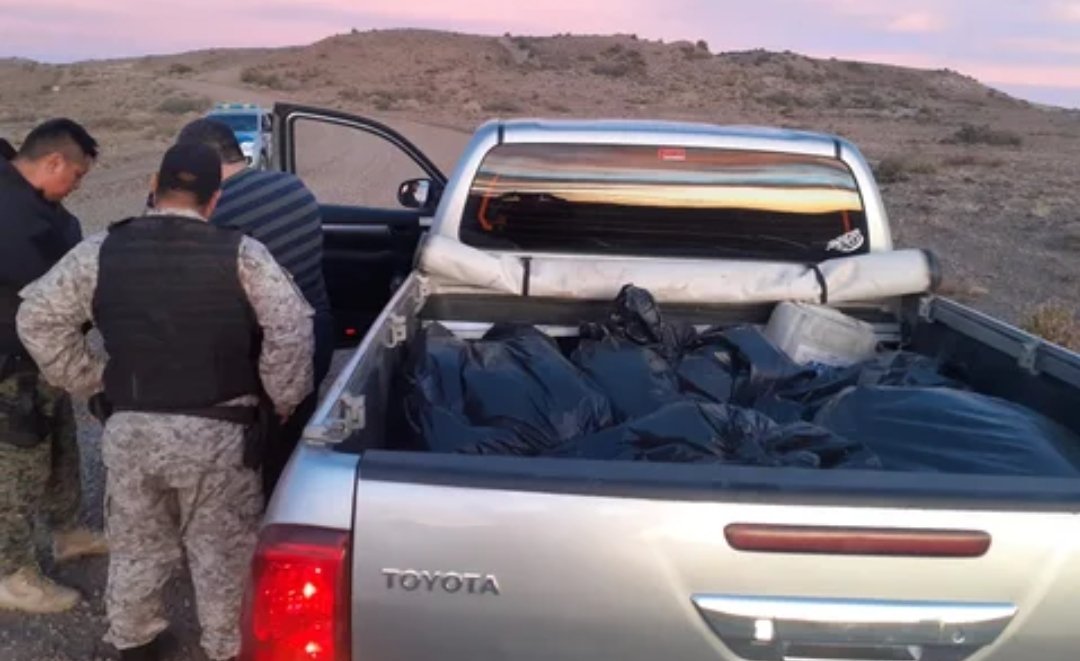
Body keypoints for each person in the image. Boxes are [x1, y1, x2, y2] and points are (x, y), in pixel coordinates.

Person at [16, 142, 315, 660]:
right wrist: (283, 395)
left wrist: (89, 379)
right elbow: (292, 326)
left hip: (132, 430)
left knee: (137, 544)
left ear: (153, 187)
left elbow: (36, 317)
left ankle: (135, 640)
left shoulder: (102, 250)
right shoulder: (243, 254)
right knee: (221, 552)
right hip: (219, 434)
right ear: (215, 199)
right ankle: (226, 646)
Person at [174, 118, 334, 497]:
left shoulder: (212, 212)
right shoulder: (292, 186)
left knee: (246, 464)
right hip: (314, 337)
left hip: (258, 354)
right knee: (292, 446)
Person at [0, 118, 108, 614]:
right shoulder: (9, 212)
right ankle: (11, 575)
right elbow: (49, 286)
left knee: (62, 445)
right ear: (53, 161)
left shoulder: (36, 205)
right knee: (17, 467)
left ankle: (67, 532)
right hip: (10, 365)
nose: (77, 186)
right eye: (77, 176)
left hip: (43, 358)